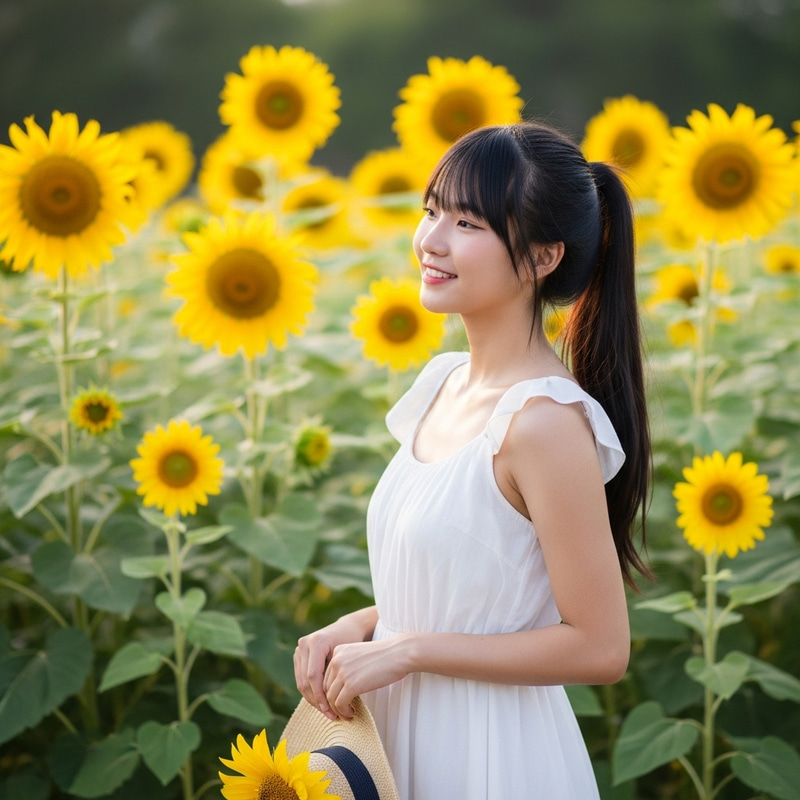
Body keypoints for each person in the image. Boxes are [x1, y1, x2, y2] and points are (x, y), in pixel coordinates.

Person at [294, 121, 651, 799]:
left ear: (544, 257)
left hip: (491, 754)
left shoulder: (543, 422)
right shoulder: (445, 383)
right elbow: (469, 587)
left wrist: (409, 651)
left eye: (466, 221)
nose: (430, 240)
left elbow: (601, 647)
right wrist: (362, 626)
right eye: (431, 211)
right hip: (393, 736)